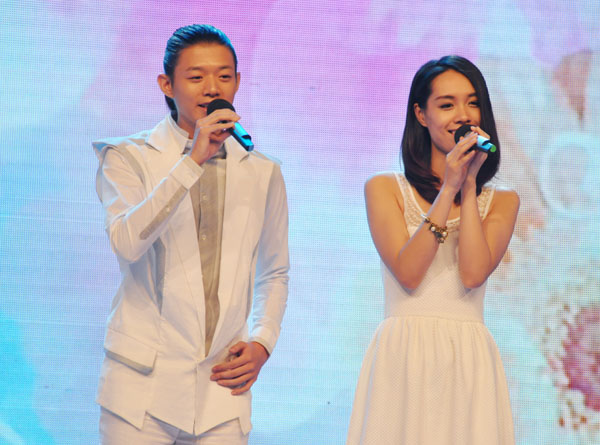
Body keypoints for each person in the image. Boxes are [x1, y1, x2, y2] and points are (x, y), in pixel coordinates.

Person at [92, 24, 289, 444]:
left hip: (221, 387)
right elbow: (127, 243)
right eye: (196, 77)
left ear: (238, 82)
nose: (211, 88)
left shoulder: (262, 170)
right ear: (167, 85)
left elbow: (274, 271)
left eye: (224, 76)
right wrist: (192, 161)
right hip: (141, 387)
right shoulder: (128, 157)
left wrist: (263, 342)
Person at [347, 55, 519, 444]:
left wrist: (468, 186)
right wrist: (448, 188)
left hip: (468, 359)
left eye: (472, 103)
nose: (463, 115)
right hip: (403, 355)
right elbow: (409, 274)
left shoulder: (503, 201)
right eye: (446, 105)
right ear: (421, 115)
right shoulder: (384, 188)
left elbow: (472, 274)